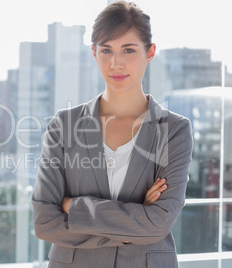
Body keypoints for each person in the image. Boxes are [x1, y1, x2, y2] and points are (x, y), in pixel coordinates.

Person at [31, 1, 193, 267]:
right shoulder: (64, 125)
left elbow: (159, 223)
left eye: (128, 50)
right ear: (94, 53)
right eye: (106, 50)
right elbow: (46, 223)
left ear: (150, 52)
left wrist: (74, 207)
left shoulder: (173, 130)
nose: (116, 63)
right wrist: (134, 224)